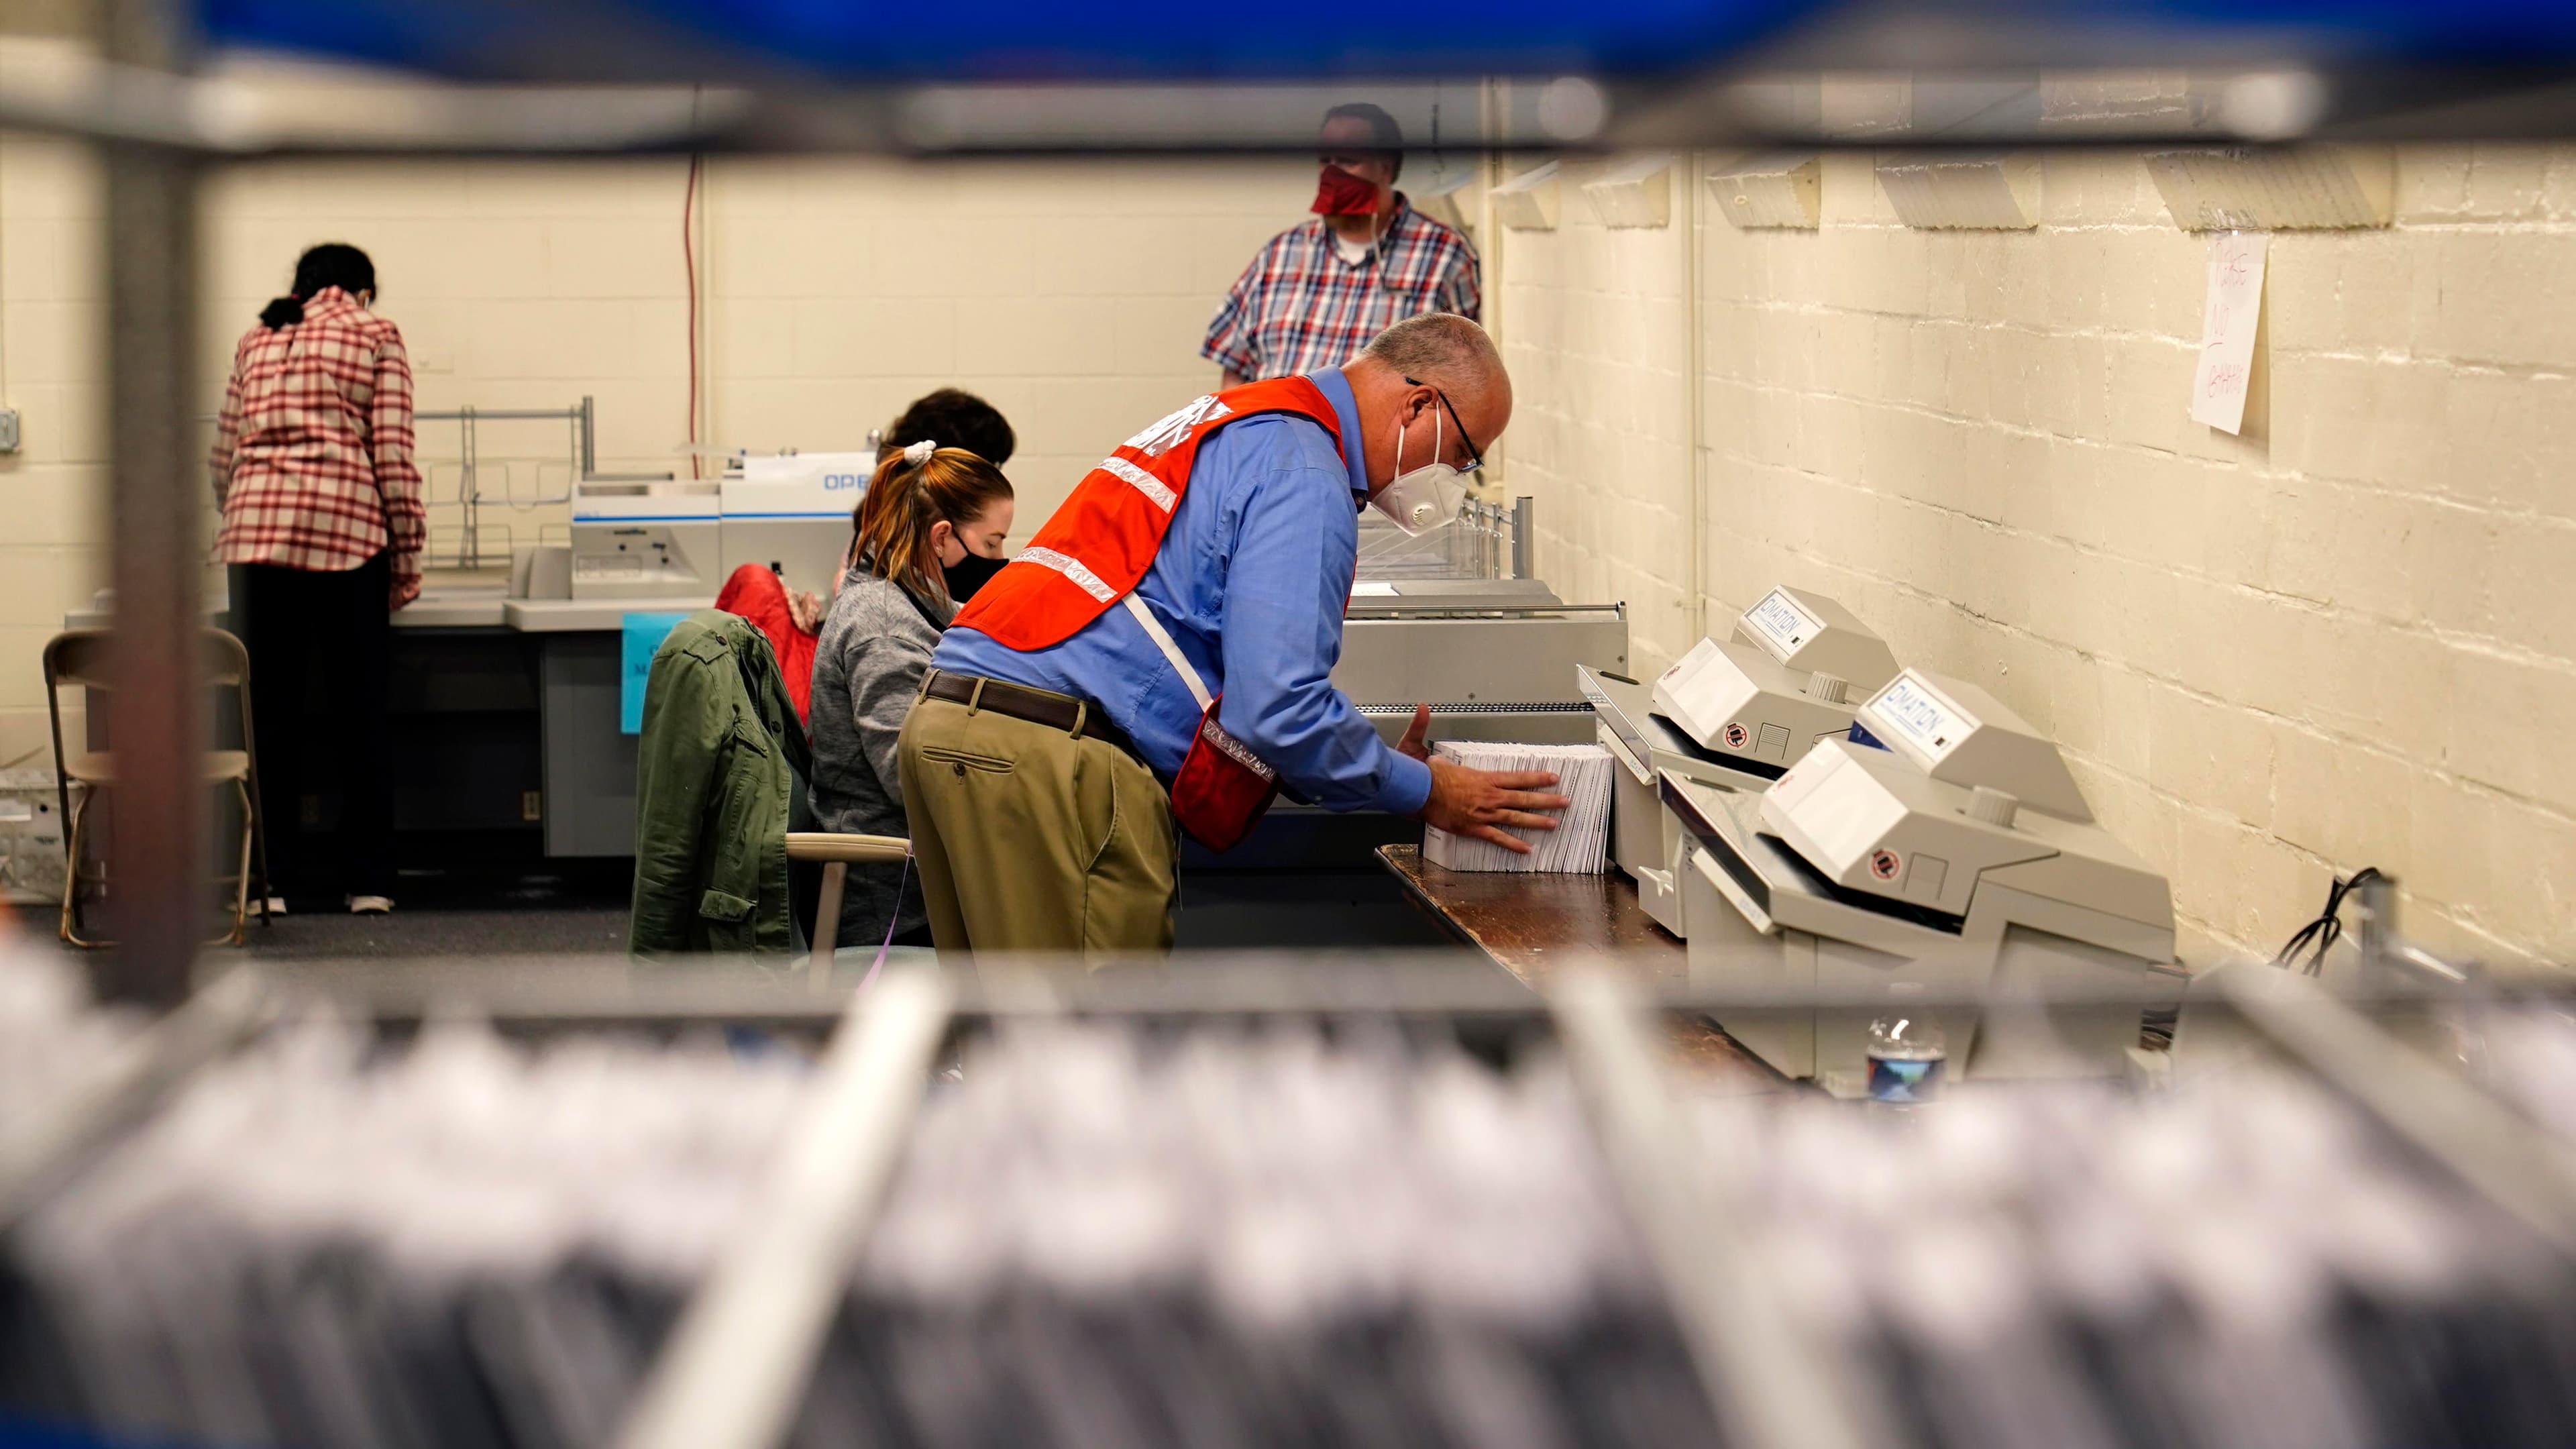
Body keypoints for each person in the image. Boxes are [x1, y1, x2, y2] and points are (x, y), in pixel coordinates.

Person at [900, 314, 1566, 957]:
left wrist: (1363, 763)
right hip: (1046, 755)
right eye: (1459, 457)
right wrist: (1428, 791)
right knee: (1084, 1050)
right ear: (1418, 405)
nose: (1447, 483)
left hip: (953, 722)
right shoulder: (1305, 471)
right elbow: (1277, 707)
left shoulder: (1241, 419)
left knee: (1010, 1045)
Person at [208, 241, 424, 916]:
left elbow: (223, 455)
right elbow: (390, 453)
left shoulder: (258, 337)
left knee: (267, 715)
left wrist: (250, 511)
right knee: (361, 714)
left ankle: (267, 884)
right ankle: (369, 882)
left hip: (257, 541)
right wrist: (408, 553)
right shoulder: (376, 333)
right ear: (362, 292)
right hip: (347, 535)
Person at [808, 441, 1016, 949]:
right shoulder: (882, 628)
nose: (998, 558)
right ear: (942, 536)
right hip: (897, 900)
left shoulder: (906, 591)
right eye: (991, 544)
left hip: (919, 870)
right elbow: (913, 779)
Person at [1203, 103, 1481, 387]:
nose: (1332, 175)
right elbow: (1235, 367)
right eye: (1325, 160)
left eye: (1348, 161)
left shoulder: (1444, 257)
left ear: (1385, 168)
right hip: (1274, 428)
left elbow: (1466, 379)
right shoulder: (1281, 254)